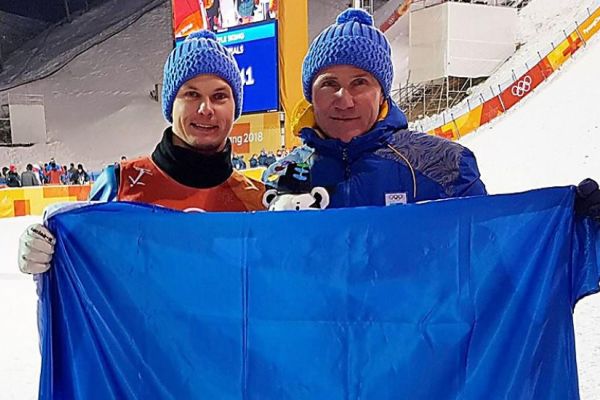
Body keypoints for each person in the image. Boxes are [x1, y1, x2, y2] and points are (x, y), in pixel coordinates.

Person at [265, 8, 600, 217]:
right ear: (311, 95)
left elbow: (493, 255)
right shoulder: (283, 176)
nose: (344, 99)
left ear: (382, 93)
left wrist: (573, 225)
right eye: (329, 84)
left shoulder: (444, 165)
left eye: (360, 83)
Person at [18, 29, 265, 275]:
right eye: (191, 94)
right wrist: (49, 255)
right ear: (170, 103)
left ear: (235, 107)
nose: (205, 108)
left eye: (220, 96)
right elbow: (86, 268)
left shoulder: (260, 202)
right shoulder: (120, 185)